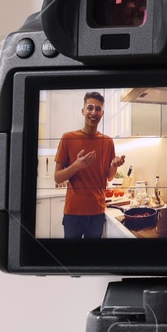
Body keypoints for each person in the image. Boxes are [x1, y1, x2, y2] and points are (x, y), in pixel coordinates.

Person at [53, 90, 124, 239]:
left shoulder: (108, 142)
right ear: (83, 111)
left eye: (98, 109)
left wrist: (115, 164)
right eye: (90, 108)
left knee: (92, 259)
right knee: (71, 260)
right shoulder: (68, 138)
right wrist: (76, 166)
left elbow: (109, 176)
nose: (94, 112)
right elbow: (58, 178)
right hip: (73, 214)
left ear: (102, 113)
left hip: (96, 213)